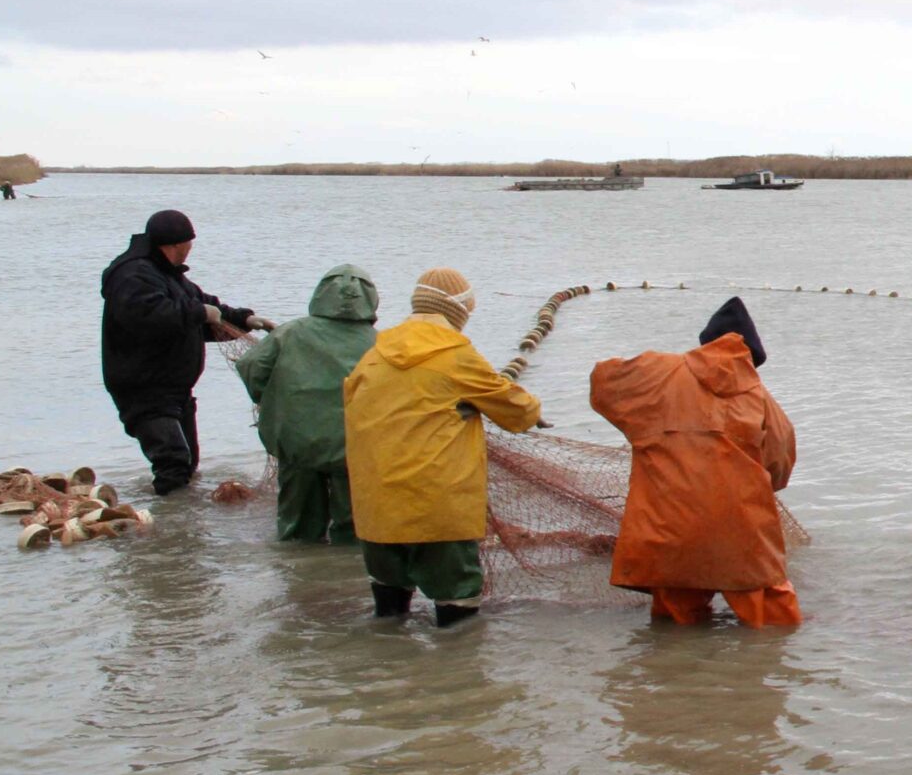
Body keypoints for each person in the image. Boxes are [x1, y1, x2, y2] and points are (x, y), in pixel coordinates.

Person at [343, 268, 542, 626]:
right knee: (458, 614)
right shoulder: (455, 354)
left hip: (376, 509)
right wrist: (533, 411)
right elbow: (517, 411)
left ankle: (384, 675)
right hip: (438, 510)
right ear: (458, 312)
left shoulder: (373, 354)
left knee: (388, 613)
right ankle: (454, 677)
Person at [590, 296, 803, 627]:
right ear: (752, 358)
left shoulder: (657, 373)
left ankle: (684, 671)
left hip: (667, 534)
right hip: (742, 535)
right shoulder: (761, 399)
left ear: (705, 343)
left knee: (674, 628)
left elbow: (603, 384)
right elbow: (779, 469)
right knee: (775, 626)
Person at [99, 209, 266, 495]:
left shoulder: (166, 275)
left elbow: (201, 303)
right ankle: (165, 533)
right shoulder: (131, 275)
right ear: (176, 244)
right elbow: (150, 315)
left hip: (174, 389)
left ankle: (182, 524)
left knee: (188, 465)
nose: (191, 249)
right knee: (173, 462)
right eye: (189, 243)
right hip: (143, 387)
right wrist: (198, 312)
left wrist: (244, 319)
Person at [233, 265, 378, 544]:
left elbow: (251, 367)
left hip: (297, 444)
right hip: (354, 450)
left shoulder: (289, 333)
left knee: (297, 529)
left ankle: (298, 580)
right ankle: (348, 582)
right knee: (354, 532)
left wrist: (268, 397)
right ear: (370, 300)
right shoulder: (381, 343)